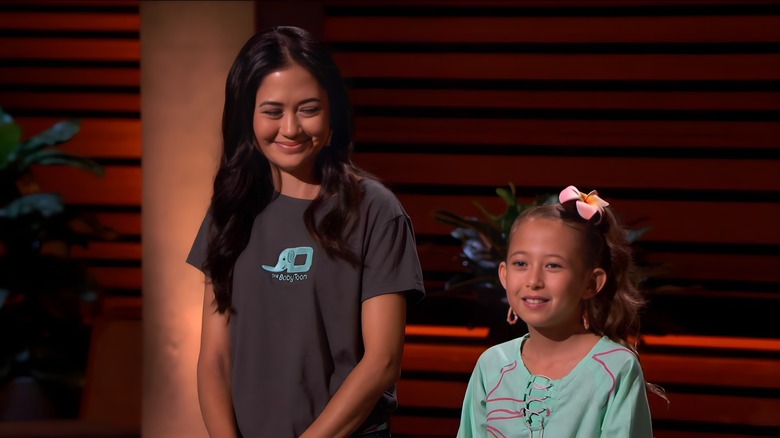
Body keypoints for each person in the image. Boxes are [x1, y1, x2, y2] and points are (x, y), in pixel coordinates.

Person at [187, 25, 425, 438]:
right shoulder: (231, 208)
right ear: (247, 115)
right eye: (273, 111)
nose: (291, 129)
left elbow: (383, 361)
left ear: (332, 111)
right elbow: (215, 359)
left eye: (308, 109)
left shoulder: (375, 209)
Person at [457, 185, 666, 437]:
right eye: (521, 263)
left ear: (591, 283)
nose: (533, 280)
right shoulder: (492, 365)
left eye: (553, 265)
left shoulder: (616, 367)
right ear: (504, 274)